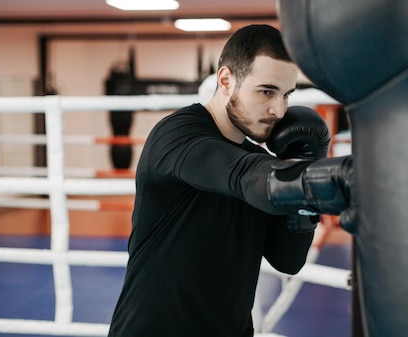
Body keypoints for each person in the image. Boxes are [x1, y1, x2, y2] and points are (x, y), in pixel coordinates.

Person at [107, 24, 353, 337]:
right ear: (226, 80)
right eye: (266, 91)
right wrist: (328, 177)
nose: (279, 109)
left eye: (286, 94)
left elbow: (287, 261)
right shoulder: (176, 136)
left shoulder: (264, 165)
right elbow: (240, 175)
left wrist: (305, 172)